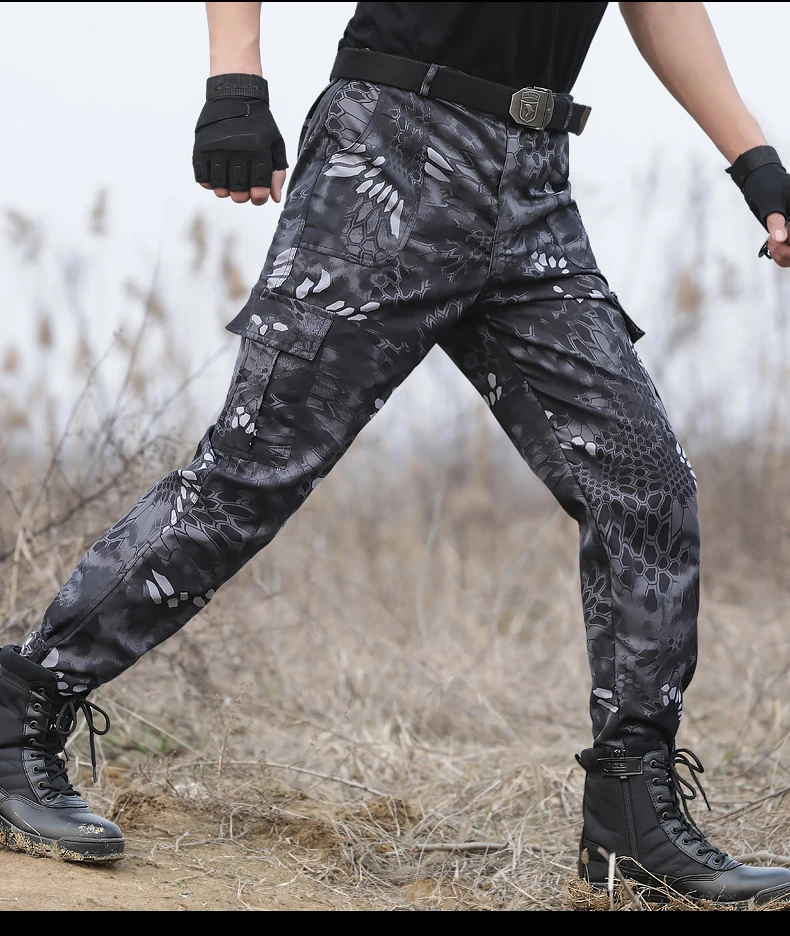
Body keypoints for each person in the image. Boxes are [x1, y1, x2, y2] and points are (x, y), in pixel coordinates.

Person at [2, 0, 789, 905]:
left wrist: (756, 162)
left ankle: (632, 820)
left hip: (534, 184)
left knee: (645, 486)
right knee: (251, 476)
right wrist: (234, 81)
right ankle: (21, 708)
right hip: (386, 152)